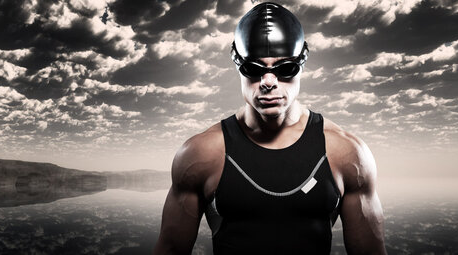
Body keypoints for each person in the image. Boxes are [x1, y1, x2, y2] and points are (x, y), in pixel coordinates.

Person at [153, 2, 386, 254]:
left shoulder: (347, 154)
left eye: (285, 69)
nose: (268, 81)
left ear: (302, 64)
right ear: (238, 65)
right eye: (253, 69)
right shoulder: (200, 154)